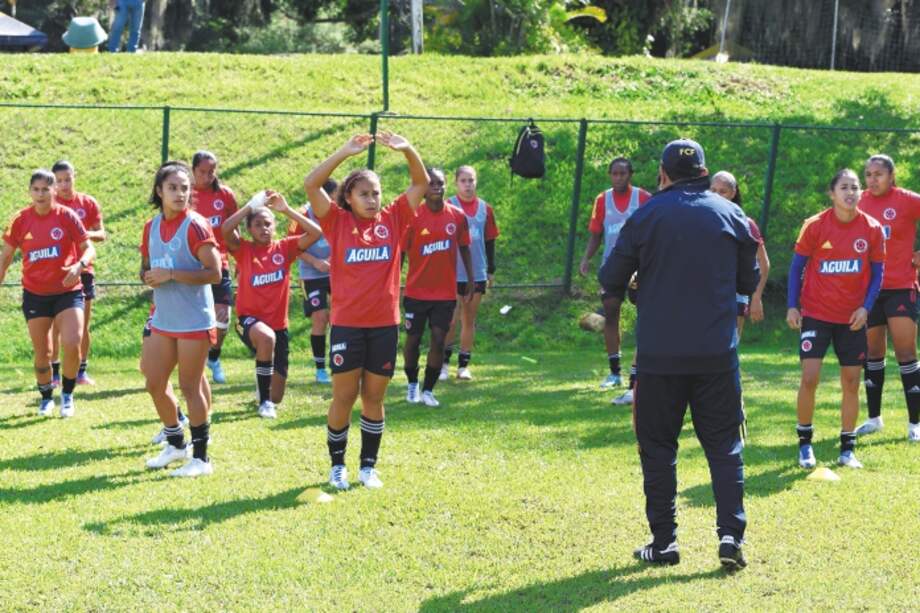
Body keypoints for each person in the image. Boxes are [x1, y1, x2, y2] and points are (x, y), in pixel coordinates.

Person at [599, 139, 760, 570]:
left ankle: (665, 542)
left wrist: (639, 287)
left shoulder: (646, 214)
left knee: (657, 449)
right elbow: (750, 276)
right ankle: (730, 538)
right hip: (716, 355)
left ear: (663, 173)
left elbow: (610, 276)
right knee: (725, 448)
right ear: (704, 172)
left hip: (659, 358)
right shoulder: (731, 213)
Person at [304, 132, 428, 491]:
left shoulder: (393, 218)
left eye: (376, 192)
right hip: (346, 327)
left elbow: (420, 182)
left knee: (373, 398)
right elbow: (311, 184)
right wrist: (344, 152)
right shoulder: (336, 221)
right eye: (364, 193)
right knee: (343, 396)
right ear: (348, 197)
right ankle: (337, 466)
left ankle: (368, 467)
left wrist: (407, 149)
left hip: (383, 327)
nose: (372, 199)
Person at [787, 169, 885, 471]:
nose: (851, 192)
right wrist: (793, 306)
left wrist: (866, 307)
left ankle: (847, 448)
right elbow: (796, 268)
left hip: (852, 318)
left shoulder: (872, 228)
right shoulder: (815, 226)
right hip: (816, 314)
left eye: (855, 187)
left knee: (852, 381)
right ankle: (805, 444)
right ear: (832, 193)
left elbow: (878, 273)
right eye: (844, 187)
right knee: (810, 377)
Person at [140, 161, 221, 478]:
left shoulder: (196, 225)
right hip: (164, 318)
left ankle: (200, 459)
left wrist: (171, 274)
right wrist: (148, 276)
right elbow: (146, 266)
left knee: (190, 385)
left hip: (194, 321)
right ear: (159, 191)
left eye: (185, 188)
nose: (179, 193)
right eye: (172, 187)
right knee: (154, 383)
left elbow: (214, 273)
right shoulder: (150, 227)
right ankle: (175, 443)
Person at [0, 170, 96, 418]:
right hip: (36, 295)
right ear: (30, 191)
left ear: (55, 191)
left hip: (68, 291)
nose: (41, 194)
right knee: (43, 353)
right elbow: (6, 256)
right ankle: (45, 396)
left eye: (46, 189)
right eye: (36, 189)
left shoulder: (67, 216)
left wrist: (80, 265)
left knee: (72, 344)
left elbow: (89, 248)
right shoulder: (20, 220)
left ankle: (67, 395)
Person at [222, 191, 323, 418]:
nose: (263, 228)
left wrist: (286, 210)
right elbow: (225, 229)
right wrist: (250, 206)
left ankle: (266, 390)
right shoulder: (244, 250)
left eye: (268, 224)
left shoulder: (284, 249)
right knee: (266, 339)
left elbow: (316, 232)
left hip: (279, 326)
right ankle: (265, 403)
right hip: (248, 321)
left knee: (278, 394)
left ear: (275, 226)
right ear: (249, 229)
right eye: (257, 224)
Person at [855, 155, 920, 443]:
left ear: (892, 176)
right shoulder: (858, 202)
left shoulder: (907, 200)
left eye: (878, 174)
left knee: (906, 353)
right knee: (872, 353)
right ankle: (873, 419)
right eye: (868, 174)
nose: (872, 179)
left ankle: (915, 424)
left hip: (901, 286)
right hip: (869, 291)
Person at [402, 167, 474, 407]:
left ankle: (429, 390)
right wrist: (393, 284)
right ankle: (412, 383)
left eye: (441, 183)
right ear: (423, 189)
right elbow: (400, 254)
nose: (437, 187)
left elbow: (464, 247)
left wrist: (471, 279)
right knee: (412, 340)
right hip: (415, 292)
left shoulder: (457, 216)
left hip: (444, 294)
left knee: (439, 339)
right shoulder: (412, 217)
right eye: (432, 183)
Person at [579, 157, 651, 390]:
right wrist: (586, 258)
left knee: (645, 316)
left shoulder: (643, 198)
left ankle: (640, 371)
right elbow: (596, 233)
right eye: (615, 174)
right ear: (610, 175)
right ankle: (614, 372)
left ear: (631, 174)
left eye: (623, 173)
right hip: (612, 268)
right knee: (610, 313)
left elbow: (654, 232)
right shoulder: (602, 200)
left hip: (639, 268)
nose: (619, 177)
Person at [50, 160, 106, 386]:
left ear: (75, 176)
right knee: (55, 325)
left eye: (67, 179)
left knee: (82, 324)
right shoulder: (49, 205)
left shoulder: (88, 203)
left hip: (84, 269)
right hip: (57, 271)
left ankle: (81, 371)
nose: (64, 185)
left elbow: (101, 234)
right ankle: (54, 373)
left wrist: (80, 234)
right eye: (59, 181)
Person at [441, 165, 499, 381]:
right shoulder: (448, 206)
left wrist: (491, 270)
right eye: (463, 180)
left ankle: (463, 365)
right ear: (456, 183)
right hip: (452, 273)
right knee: (450, 320)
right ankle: (444, 364)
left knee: (469, 319)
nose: (468, 184)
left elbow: (490, 240)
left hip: (477, 272)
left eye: (471, 180)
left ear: (476, 182)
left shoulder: (485, 209)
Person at [190, 151, 239, 385]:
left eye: (212, 172)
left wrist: (239, 254)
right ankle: (190, 364)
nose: (208, 176)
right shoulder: (185, 195)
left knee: (223, 318)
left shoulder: (225, 195)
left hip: (220, 264)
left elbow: (232, 229)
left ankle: (214, 358)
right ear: (193, 171)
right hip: (191, 265)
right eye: (202, 172)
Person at [710, 171, 771, 339]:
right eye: (713, 190)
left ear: (733, 193)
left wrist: (757, 297)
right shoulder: (701, 220)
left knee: (730, 343)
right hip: (707, 292)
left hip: (736, 293)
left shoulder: (745, 223)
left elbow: (764, 263)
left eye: (723, 191)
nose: (717, 196)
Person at [289, 178, 337, 385]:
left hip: (336, 272)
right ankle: (320, 369)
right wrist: (316, 262)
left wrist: (333, 260)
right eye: (334, 197)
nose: (336, 201)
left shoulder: (338, 212)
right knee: (320, 318)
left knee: (339, 317)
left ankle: (339, 361)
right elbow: (293, 247)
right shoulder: (302, 215)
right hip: (312, 274)